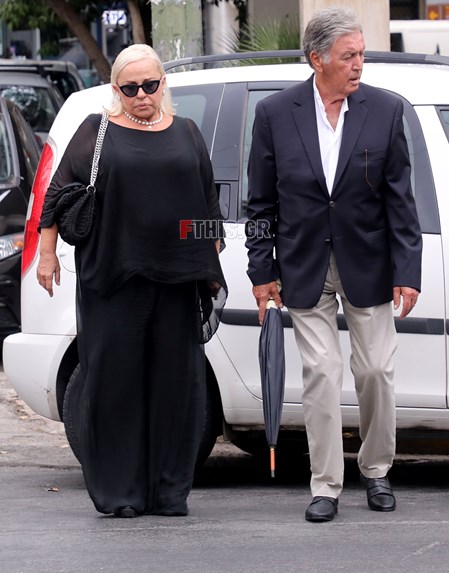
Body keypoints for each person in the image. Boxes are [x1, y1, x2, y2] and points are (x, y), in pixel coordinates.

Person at [245, 8, 422, 523]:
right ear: (317, 59)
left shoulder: (386, 110)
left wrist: (407, 271)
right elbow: (261, 205)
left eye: (361, 54)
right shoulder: (275, 114)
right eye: (348, 56)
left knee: (376, 371)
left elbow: (401, 201)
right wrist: (261, 271)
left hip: (368, 262)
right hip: (303, 264)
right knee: (321, 373)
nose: (359, 64)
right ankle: (325, 484)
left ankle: (376, 469)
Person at [37, 44, 227, 518]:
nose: (142, 95)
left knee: (177, 387)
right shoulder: (96, 131)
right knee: (115, 385)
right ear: (116, 89)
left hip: (178, 281)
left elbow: (206, 200)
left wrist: (210, 254)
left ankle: (168, 492)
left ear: (164, 83)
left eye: (150, 85)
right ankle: (120, 492)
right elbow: (57, 194)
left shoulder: (187, 131)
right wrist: (46, 253)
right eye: (131, 88)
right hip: (114, 280)